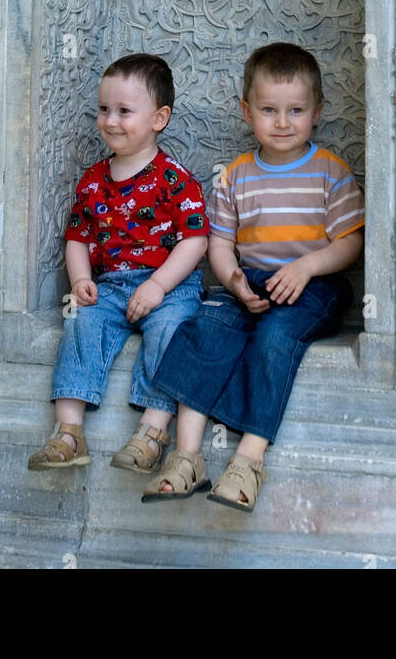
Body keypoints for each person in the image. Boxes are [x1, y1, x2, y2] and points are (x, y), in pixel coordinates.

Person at [142, 42, 364, 511]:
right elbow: (220, 245)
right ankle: (186, 458)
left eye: (296, 110)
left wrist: (307, 266)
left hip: (314, 285)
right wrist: (234, 280)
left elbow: (350, 242)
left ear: (316, 112)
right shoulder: (236, 176)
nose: (283, 122)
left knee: (276, 337)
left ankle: (248, 460)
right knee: (205, 327)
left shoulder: (331, 173)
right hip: (251, 282)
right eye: (269, 110)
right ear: (247, 112)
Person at [27, 53, 208, 475]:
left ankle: (152, 431)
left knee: (168, 331)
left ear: (158, 118)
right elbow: (77, 237)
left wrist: (159, 286)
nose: (110, 120)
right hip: (108, 285)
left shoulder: (174, 178)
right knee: (79, 322)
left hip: (169, 285)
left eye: (124, 111)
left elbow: (195, 240)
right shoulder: (93, 180)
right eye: (104, 110)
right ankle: (68, 433)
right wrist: (80, 279)